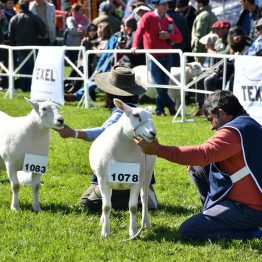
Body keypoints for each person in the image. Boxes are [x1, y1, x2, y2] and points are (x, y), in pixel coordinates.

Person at [134, 90, 262, 241]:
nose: (211, 127)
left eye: (210, 119)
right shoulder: (249, 124)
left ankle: (254, 233)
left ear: (221, 113)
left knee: (189, 230)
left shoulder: (233, 132)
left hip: (250, 210)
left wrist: (157, 150)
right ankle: (215, 215)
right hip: (250, 203)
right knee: (197, 167)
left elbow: (203, 154)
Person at [56, 65, 158, 211]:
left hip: (119, 173)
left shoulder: (121, 113)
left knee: (86, 202)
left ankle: (129, 199)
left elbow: (103, 131)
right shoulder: (141, 112)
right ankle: (145, 194)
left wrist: (74, 133)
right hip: (139, 172)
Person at [131, 0, 183, 116]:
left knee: (163, 86)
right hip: (153, 56)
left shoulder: (169, 20)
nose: (166, 6)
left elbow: (179, 37)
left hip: (167, 56)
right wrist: (134, 45)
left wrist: (169, 35)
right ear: (156, 5)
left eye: (167, 4)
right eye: (163, 4)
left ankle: (159, 110)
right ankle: (171, 106)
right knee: (158, 85)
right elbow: (139, 32)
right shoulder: (147, 17)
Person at [8, 0, 46, 92]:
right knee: (32, 68)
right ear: (28, 6)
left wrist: (14, 45)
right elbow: (43, 32)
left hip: (20, 47)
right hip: (32, 47)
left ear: (19, 7)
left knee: (23, 68)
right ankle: (31, 86)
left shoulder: (14, 19)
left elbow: (10, 35)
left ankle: (24, 87)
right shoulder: (35, 18)